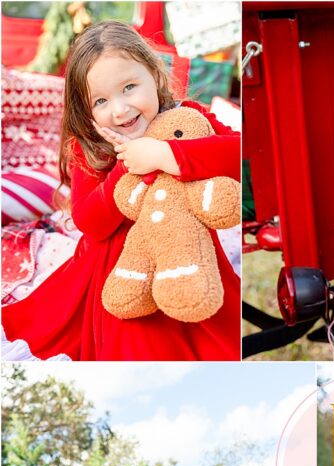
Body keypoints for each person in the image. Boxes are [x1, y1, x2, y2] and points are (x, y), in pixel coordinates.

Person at [2, 20, 240, 360]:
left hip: (188, 251)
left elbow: (238, 152)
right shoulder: (90, 146)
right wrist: (128, 165)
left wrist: (167, 154)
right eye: (100, 100)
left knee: (217, 338)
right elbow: (91, 221)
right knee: (139, 344)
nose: (120, 109)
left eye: (129, 87)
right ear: (86, 109)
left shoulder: (184, 119)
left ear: (154, 75)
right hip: (117, 268)